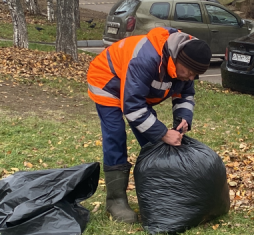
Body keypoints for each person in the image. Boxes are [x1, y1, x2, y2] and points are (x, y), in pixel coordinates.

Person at [87, 27, 212, 223]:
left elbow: (185, 94)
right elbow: (133, 108)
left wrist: (183, 118)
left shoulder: (187, 62)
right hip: (108, 80)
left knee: (152, 140)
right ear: (178, 59)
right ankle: (115, 200)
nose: (190, 78)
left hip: (135, 90)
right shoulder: (145, 58)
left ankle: (163, 189)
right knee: (116, 134)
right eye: (188, 73)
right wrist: (163, 133)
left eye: (194, 75)